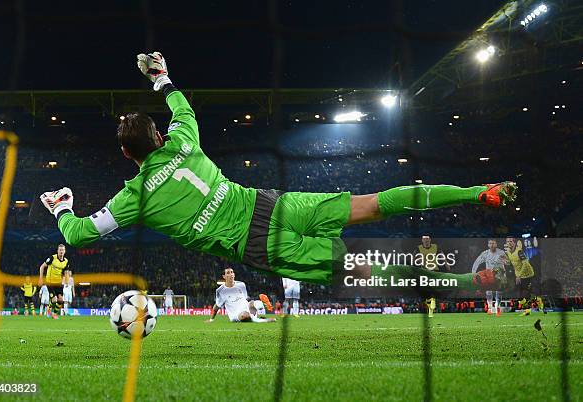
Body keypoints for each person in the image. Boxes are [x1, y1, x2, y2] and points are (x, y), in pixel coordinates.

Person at [39, 51, 516, 287]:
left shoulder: (132, 197)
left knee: (356, 266)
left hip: (256, 242)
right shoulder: (185, 138)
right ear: (160, 137)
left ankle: (464, 281)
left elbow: (80, 234)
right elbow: (182, 105)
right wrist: (160, 75)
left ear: (127, 155)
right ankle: (478, 191)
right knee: (372, 204)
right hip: (270, 203)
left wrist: (63, 208)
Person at [206, 268, 275, 323]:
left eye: (232, 272)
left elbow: (246, 298)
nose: (231, 274)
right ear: (224, 276)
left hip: (246, 307)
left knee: (256, 303)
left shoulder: (241, 284)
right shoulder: (220, 291)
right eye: (228, 273)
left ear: (234, 274)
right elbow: (217, 306)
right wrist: (211, 319)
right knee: (244, 315)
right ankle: (263, 320)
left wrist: (252, 304)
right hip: (236, 314)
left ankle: (263, 310)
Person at [472, 239, 507, 316]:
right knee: (488, 292)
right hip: (489, 275)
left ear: (496, 244)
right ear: (488, 245)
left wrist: (505, 261)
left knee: (499, 293)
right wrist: (473, 273)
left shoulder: (501, 252)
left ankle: (497, 307)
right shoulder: (485, 253)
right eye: (490, 243)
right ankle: (490, 308)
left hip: (499, 275)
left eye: (493, 243)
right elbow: (477, 262)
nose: (492, 245)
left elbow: (507, 262)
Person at [38, 244, 70, 319]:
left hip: (58, 282)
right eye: (60, 250)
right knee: (54, 299)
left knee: (61, 300)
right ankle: (48, 309)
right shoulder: (52, 258)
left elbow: (66, 272)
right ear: (57, 251)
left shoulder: (66, 261)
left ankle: (54, 313)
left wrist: (67, 281)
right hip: (50, 281)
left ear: (65, 251)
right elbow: (42, 266)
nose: (61, 251)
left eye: (63, 250)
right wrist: (41, 278)